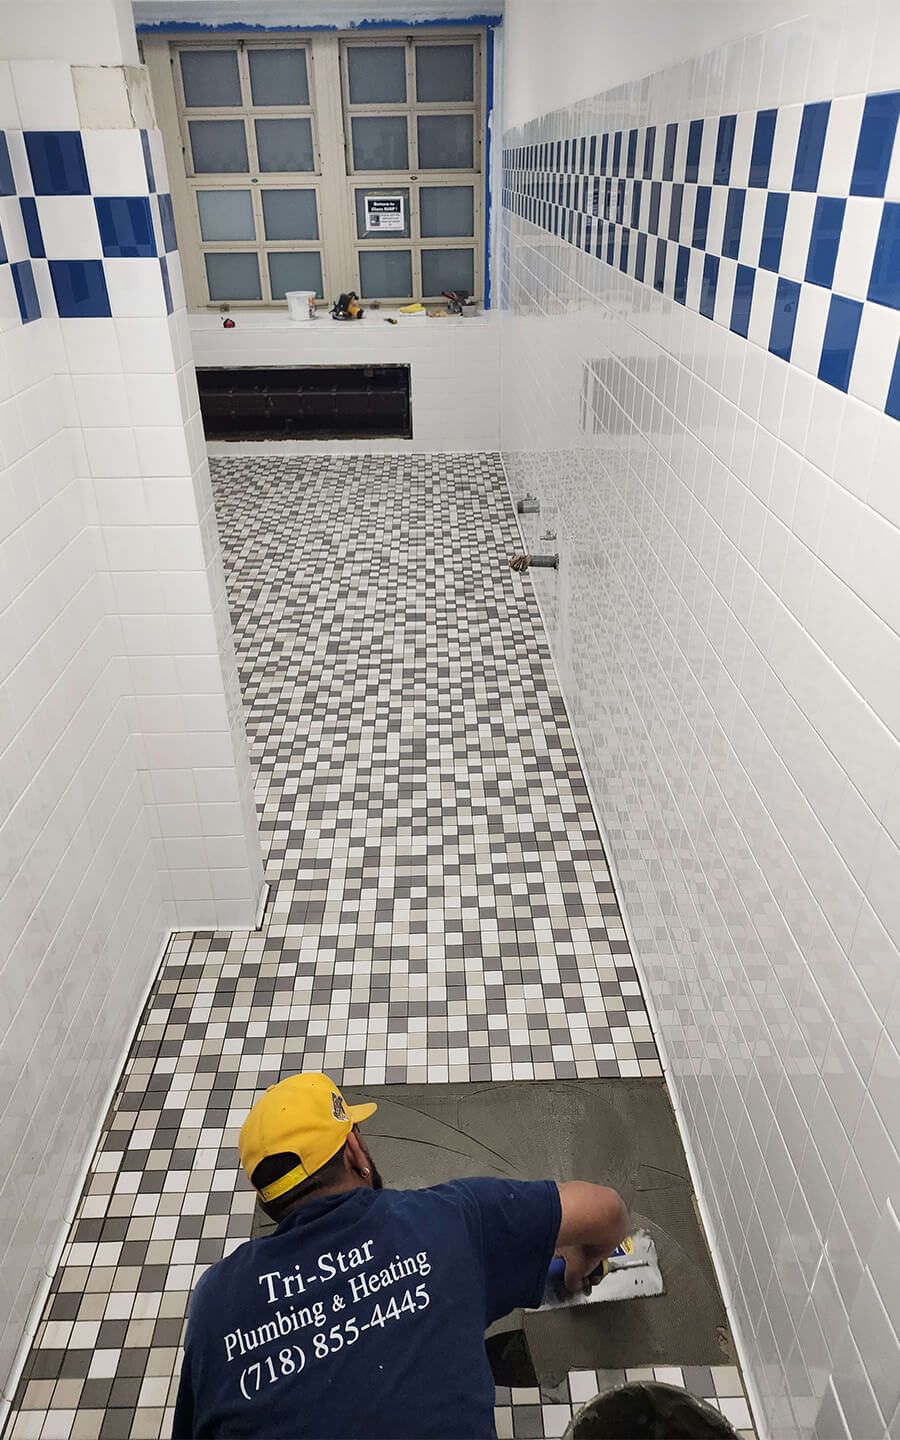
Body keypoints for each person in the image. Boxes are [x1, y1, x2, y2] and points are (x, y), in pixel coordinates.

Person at [173, 1072, 629, 1440]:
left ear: (267, 1201)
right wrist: (577, 1264)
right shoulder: (451, 1219)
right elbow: (607, 1212)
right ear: (355, 1151)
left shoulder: (215, 1300)